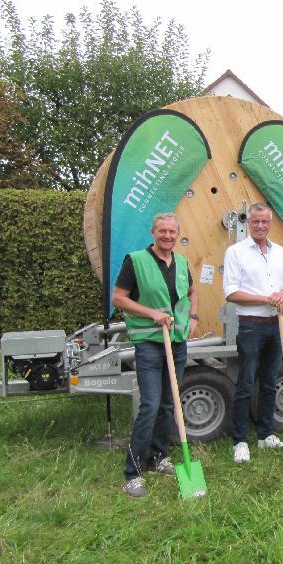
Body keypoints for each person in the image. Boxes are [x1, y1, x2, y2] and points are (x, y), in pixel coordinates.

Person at [112, 213, 199, 498]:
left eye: (172, 232)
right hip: (149, 341)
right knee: (150, 405)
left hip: (176, 341)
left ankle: (158, 457)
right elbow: (119, 297)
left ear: (178, 234)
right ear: (153, 233)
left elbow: (192, 291)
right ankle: (132, 472)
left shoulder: (182, 262)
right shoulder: (135, 260)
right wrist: (152, 314)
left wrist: (193, 317)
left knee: (169, 404)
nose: (168, 236)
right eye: (162, 231)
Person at [223, 203, 283, 463]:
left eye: (265, 222)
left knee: (269, 382)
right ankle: (240, 441)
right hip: (251, 325)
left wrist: (281, 294)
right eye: (256, 222)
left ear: (270, 223)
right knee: (245, 383)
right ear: (248, 223)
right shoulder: (236, 252)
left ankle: (266, 435)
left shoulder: (279, 251)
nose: (261, 226)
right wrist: (267, 298)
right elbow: (231, 292)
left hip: (276, 325)